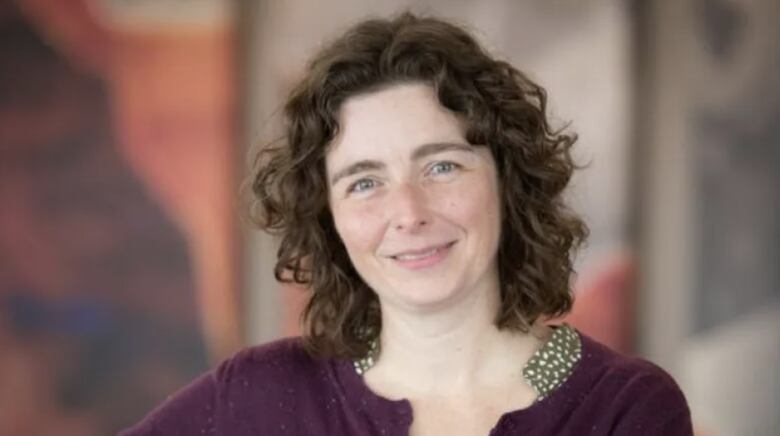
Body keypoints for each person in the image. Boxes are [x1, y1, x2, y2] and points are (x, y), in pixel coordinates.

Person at [119, 12, 692, 436]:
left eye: (442, 166)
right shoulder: (259, 395)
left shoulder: (624, 410)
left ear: (507, 179)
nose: (409, 212)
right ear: (329, 216)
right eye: (365, 182)